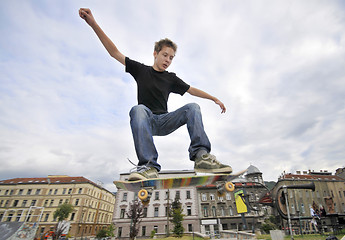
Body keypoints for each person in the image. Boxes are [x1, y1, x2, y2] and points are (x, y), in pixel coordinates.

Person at [79, 8, 232, 181]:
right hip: (147, 121)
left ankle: (201, 156)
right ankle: (149, 165)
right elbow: (114, 53)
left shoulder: (170, 78)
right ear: (155, 53)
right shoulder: (140, 70)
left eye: (171, 58)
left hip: (164, 121)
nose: (168, 60)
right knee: (138, 109)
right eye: (165, 55)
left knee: (193, 108)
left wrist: (213, 98)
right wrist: (93, 24)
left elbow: (191, 89)